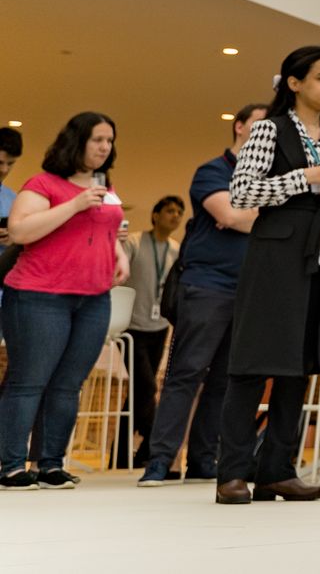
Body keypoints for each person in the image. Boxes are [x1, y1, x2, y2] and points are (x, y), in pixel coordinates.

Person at [216, 48, 320, 503]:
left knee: (299, 364)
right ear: (294, 83)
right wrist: (305, 176)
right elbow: (241, 193)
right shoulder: (267, 130)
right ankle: (232, 473)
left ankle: (277, 468)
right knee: (255, 362)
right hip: (276, 251)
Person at [0, 112, 128, 490]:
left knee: (68, 384)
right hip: (40, 295)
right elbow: (20, 230)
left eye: (109, 140)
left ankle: (50, 463)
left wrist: (118, 254)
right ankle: (9, 464)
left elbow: (108, 229)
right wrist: (74, 205)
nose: (105, 148)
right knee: (29, 381)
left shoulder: (105, 186)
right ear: (77, 142)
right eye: (97, 140)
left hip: (92, 297)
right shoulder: (43, 184)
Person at [139, 104, 265, 487]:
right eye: (260, 124)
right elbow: (228, 216)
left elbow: (246, 217)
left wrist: (256, 212)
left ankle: (202, 459)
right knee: (185, 373)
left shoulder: (268, 179)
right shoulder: (213, 171)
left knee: (226, 379)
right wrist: (272, 216)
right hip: (207, 286)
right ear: (240, 126)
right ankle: (160, 460)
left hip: (249, 291)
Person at [121, 193, 184, 465]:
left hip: (159, 327)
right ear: (156, 215)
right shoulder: (134, 241)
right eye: (169, 211)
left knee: (138, 393)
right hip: (132, 328)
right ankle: (157, 445)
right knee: (146, 387)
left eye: (179, 212)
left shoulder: (176, 248)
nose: (175, 216)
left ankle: (121, 454)